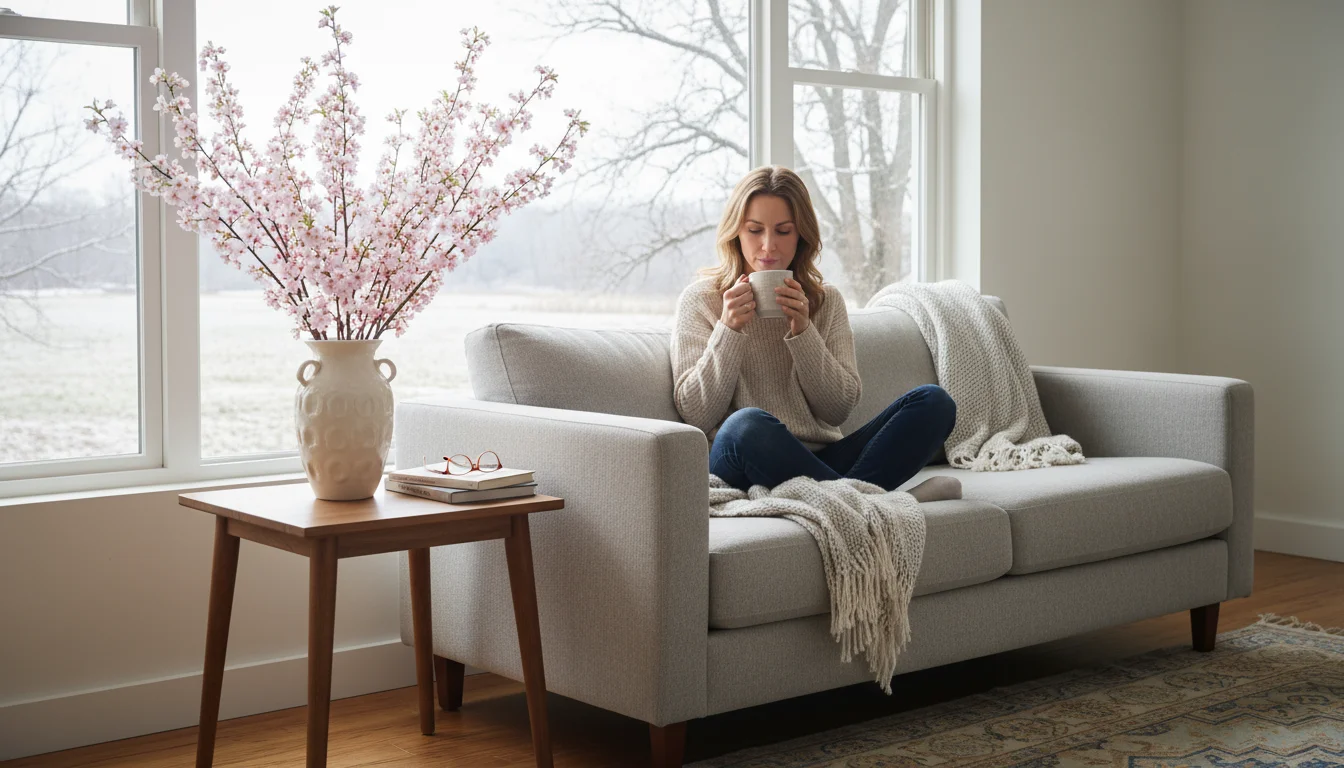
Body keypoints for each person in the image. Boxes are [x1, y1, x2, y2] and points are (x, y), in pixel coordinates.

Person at [671, 165, 963, 503]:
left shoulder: (825, 301)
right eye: (755, 230)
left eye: (783, 231)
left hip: (819, 459)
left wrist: (804, 331)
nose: (768, 246)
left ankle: (850, 499)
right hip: (742, 458)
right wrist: (729, 329)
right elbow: (696, 413)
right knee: (745, 425)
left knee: (934, 403)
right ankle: (876, 502)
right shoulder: (702, 300)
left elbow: (837, 410)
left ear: (802, 236)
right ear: (736, 232)